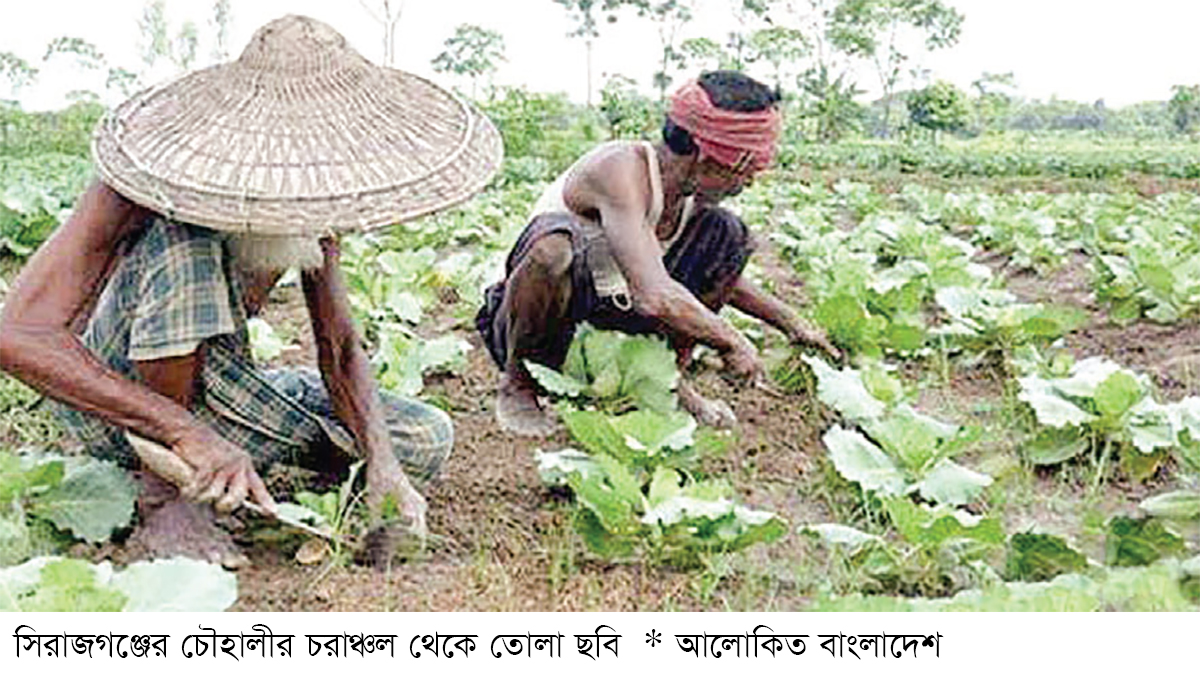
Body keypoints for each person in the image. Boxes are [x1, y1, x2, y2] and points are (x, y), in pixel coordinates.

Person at [0, 16, 502, 566]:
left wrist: (381, 463)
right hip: (121, 404)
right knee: (184, 241)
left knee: (422, 437)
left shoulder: (317, 186)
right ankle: (164, 494)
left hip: (223, 389)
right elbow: (17, 336)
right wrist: (178, 429)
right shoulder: (144, 179)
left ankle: (220, 465)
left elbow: (337, 347)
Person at [477, 71, 838, 436]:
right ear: (704, 155)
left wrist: (792, 323)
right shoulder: (618, 169)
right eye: (744, 168)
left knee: (728, 236)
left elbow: (726, 282)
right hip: (533, 326)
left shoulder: (686, 196)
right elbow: (653, 295)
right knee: (552, 251)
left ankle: (667, 382)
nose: (748, 182)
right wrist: (731, 340)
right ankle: (518, 388)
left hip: (609, 318)